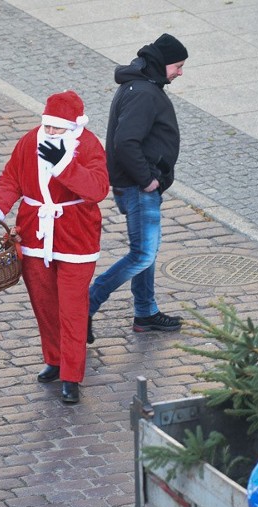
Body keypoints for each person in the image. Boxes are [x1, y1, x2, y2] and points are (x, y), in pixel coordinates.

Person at [0, 90, 109, 404]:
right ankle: (54, 358)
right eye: (48, 126)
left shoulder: (89, 145)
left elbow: (98, 189)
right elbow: (11, 178)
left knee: (72, 309)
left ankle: (71, 375)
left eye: (58, 128)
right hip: (35, 234)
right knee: (44, 304)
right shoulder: (29, 141)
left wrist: (64, 165)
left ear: (74, 127)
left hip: (76, 236)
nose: (50, 132)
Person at [87, 33, 188, 343]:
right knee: (143, 253)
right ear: (163, 63)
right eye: (178, 66)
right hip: (138, 187)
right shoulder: (144, 93)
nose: (180, 73)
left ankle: (145, 312)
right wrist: (147, 179)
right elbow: (125, 142)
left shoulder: (141, 85)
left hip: (134, 185)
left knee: (147, 250)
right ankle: (86, 304)